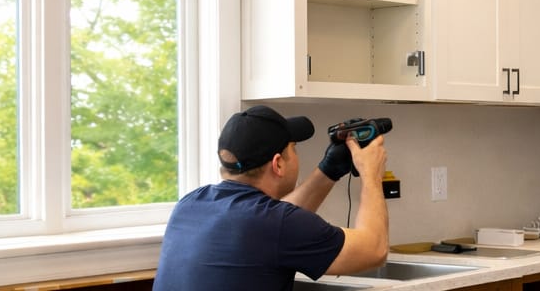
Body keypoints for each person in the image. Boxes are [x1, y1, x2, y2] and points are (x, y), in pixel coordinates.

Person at [153, 105, 389, 291]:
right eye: (293, 148)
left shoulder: (190, 204)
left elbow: (269, 222)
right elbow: (374, 249)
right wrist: (371, 173)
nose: (296, 155)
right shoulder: (277, 224)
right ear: (277, 164)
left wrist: (328, 171)